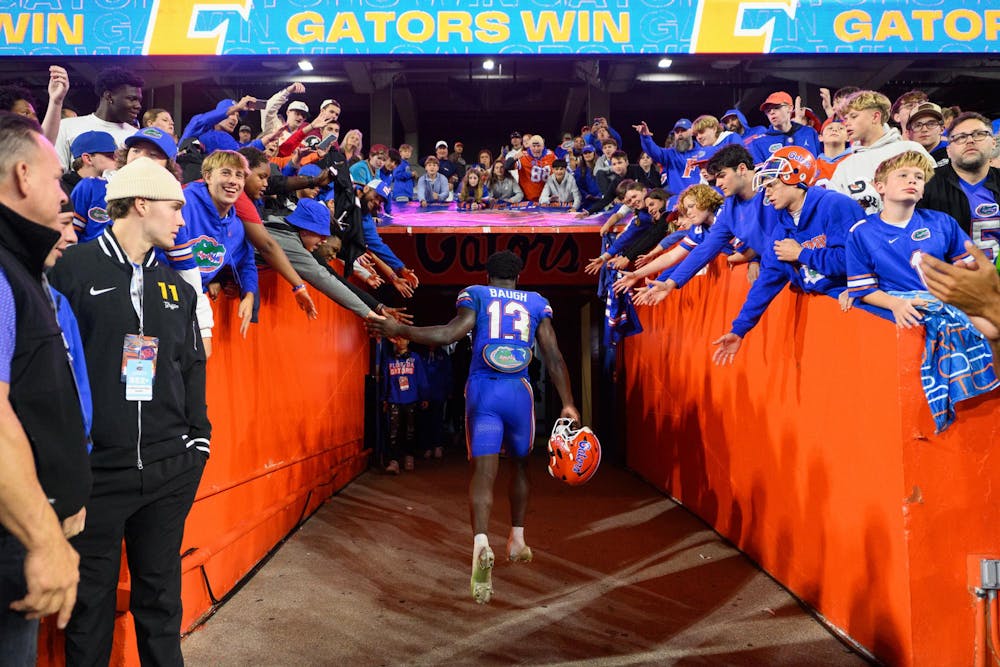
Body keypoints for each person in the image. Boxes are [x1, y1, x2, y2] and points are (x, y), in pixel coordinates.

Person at [50, 157, 209, 666]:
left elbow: (191, 368)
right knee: (90, 608)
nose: (182, 219)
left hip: (168, 469)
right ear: (141, 204)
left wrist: (197, 442)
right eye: (175, 207)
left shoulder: (176, 287)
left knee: (161, 602)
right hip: (96, 475)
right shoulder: (71, 270)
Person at [365, 250, 580, 605]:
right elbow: (554, 355)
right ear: (519, 277)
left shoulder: (476, 294)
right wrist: (569, 402)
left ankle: (481, 542)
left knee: (484, 471)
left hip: (484, 391)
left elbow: (450, 334)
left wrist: (399, 329)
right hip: (519, 393)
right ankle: (518, 539)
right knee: (521, 465)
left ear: (487, 275)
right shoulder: (536, 302)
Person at [0, 111, 91, 665]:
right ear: (24, 176)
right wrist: (43, 537)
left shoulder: (18, 265)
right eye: (58, 179)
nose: (64, 194)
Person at [710, 147, 862, 364]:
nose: (767, 193)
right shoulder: (782, 225)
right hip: (831, 312)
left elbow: (852, 261)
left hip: (858, 306)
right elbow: (767, 280)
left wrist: (801, 254)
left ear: (796, 178)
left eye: (771, 185)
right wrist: (739, 329)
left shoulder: (835, 205)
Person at [829, 90, 930, 214]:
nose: (847, 123)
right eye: (845, 118)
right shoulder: (845, 166)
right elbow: (837, 212)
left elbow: (936, 198)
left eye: (853, 116)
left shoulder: (910, 150)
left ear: (875, 117)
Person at [918, 112, 1000, 261]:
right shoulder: (925, 184)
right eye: (960, 137)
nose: (970, 140)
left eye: (979, 134)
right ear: (948, 151)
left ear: (993, 142)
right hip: (950, 279)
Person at [54, 66, 145, 170]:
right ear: (109, 96)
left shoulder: (136, 136)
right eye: (132, 99)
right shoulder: (68, 126)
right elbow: (57, 174)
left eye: (139, 100)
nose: (138, 106)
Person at [381, 338, 429, 474]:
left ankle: (409, 456)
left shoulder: (415, 358)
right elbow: (386, 380)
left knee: (410, 430)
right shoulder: (389, 359)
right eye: (398, 339)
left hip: (411, 399)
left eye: (404, 338)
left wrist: (424, 396)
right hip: (394, 400)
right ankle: (394, 460)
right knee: (393, 432)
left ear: (408, 341)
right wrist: (384, 399)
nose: (401, 341)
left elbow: (421, 378)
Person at [747, 91, 821, 165]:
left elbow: (821, 162)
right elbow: (758, 173)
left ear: (790, 108)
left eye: (776, 107)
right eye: (768, 110)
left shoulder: (809, 132)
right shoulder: (758, 142)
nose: (772, 112)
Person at [504, 135, 557, 202]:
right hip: (528, 198)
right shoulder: (523, 156)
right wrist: (514, 158)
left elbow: (561, 170)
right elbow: (507, 166)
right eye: (533, 146)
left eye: (538, 146)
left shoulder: (551, 155)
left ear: (543, 146)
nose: (536, 149)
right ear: (529, 146)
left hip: (546, 197)